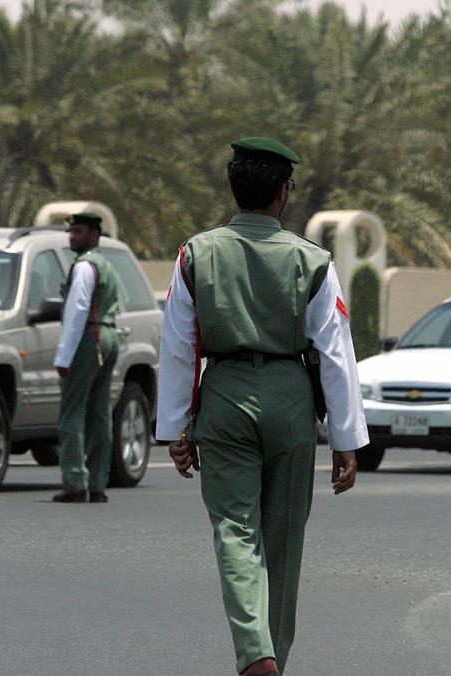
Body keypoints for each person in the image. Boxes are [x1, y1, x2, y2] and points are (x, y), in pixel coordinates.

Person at [156, 137, 369, 675]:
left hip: (225, 396)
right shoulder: (313, 260)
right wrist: (346, 440)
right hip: (291, 397)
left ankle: (256, 654)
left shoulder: (195, 253)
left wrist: (177, 429)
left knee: (235, 529)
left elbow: (179, 346)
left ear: (235, 188)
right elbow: (335, 352)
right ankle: (274, 654)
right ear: (282, 192)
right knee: (283, 541)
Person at [52, 212, 122, 504]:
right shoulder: (106, 265)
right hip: (108, 336)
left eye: (78, 231)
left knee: (72, 412)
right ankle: (98, 482)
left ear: (94, 235)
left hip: (88, 339)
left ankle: (75, 481)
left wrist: (63, 356)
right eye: (70, 231)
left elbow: (77, 310)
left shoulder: (84, 266)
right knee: (99, 413)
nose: (72, 236)